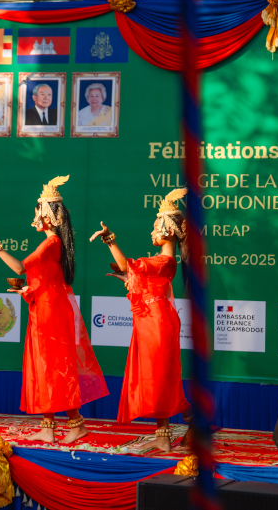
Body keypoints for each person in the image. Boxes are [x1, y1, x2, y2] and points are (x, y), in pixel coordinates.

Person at [0, 176, 108, 444]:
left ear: (48, 216)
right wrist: (28, 291)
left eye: (38, 211)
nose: (35, 216)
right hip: (45, 306)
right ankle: (48, 425)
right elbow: (44, 280)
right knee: (44, 366)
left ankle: (75, 423)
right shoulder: (53, 244)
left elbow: (20, 268)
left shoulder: (51, 243)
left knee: (54, 366)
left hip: (51, 311)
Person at [89, 188, 192, 452]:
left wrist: (109, 239)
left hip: (157, 323)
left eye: (156, 227)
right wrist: (128, 281)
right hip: (151, 321)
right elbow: (140, 281)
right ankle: (173, 430)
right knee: (157, 377)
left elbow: (127, 265)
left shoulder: (164, 260)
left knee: (159, 378)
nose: (152, 232)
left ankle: (168, 434)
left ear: (168, 231)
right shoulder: (162, 261)